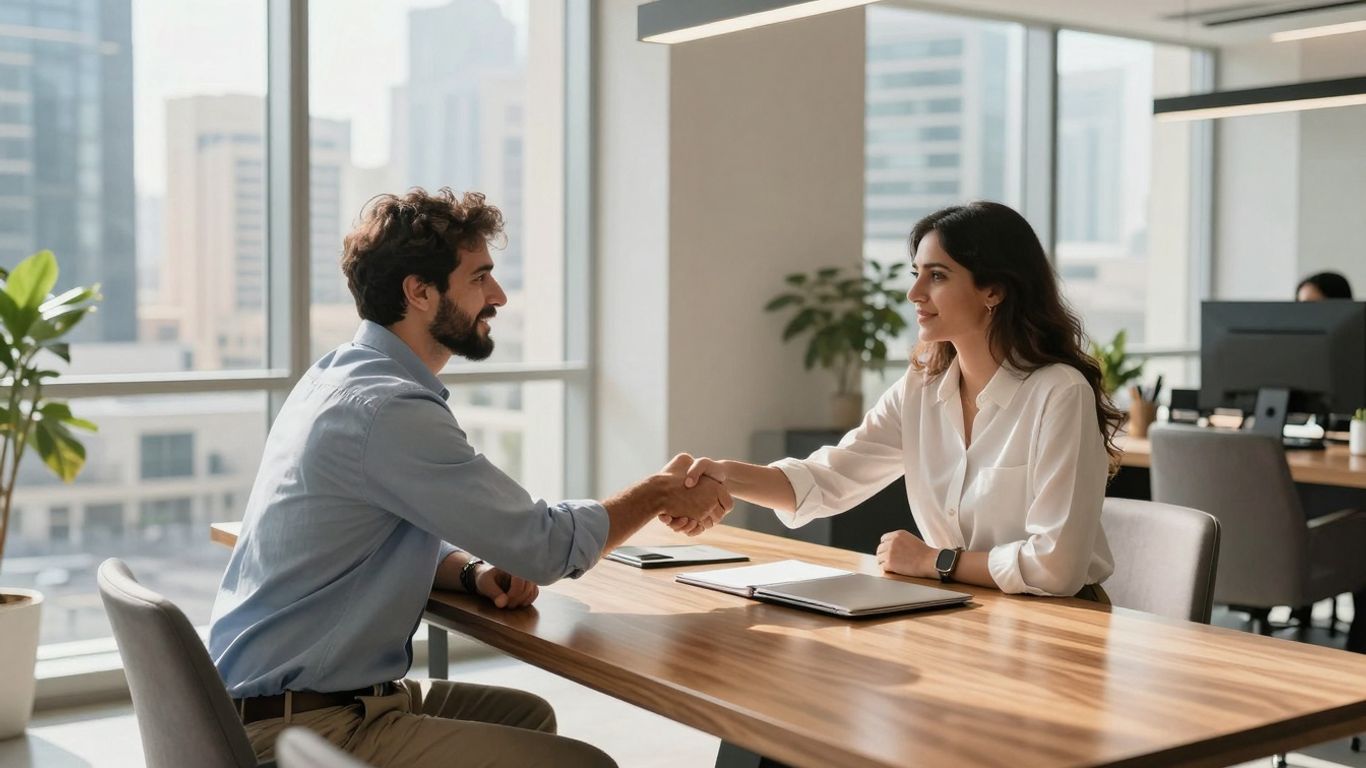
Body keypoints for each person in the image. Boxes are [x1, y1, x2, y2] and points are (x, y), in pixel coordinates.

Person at [209, 188, 731, 767]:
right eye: (480, 277)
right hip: (309, 729)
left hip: (268, 705)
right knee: (586, 765)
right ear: (419, 291)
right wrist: (658, 493)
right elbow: (547, 546)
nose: (499, 296)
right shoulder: (389, 410)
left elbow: (371, 535)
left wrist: (474, 571)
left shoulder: (337, 378)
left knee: (528, 717)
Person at [664, 201, 1121, 599]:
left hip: (1061, 620)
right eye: (916, 273)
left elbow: (1056, 569)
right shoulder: (921, 387)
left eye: (937, 276)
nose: (914, 293)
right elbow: (830, 478)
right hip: (964, 609)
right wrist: (724, 476)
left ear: (994, 291)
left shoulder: (1059, 393)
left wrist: (935, 562)